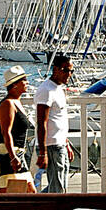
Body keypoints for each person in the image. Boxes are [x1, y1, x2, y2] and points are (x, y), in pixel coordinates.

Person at [34, 53, 74, 193]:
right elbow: (41, 122)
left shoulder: (59, 88)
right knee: (58, 188)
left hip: (60, 144)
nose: (69, 74)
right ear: (55, 69)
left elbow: (59, 118)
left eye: (71, 71)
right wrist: (42, 153)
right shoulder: (46, 90)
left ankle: (47, 208)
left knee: (60, 184)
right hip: (51, 146)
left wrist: (66, 142)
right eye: (65, 70)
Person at [0, 66, 35, 192]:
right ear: (15, 85)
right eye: (24, 79)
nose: (27, 82)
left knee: (18, 192)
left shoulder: (16, 102)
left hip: (18, 153)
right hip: (8, 153)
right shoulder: (8, 104)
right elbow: (6, 132)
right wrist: (13, 157)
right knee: (12, 192)